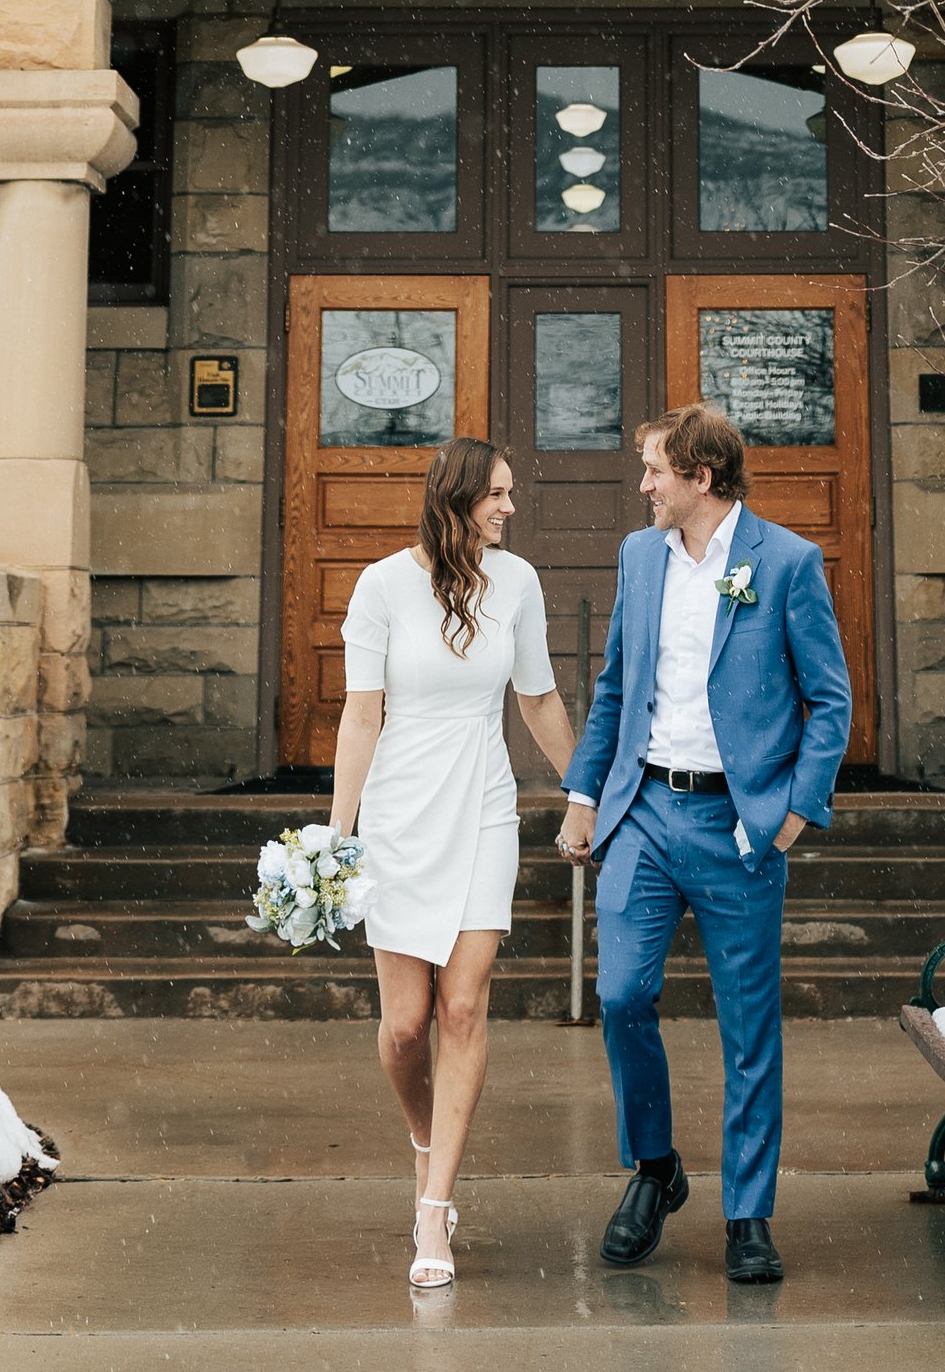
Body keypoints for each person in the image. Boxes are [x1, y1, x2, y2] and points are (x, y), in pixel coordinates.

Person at [555, 403, 854, 1288]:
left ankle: (749, 1217)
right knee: (620, 995)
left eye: (654, 470)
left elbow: (830, 700)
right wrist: (582, 797)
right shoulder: (640, 558)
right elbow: (614, 687)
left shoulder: (788, 564)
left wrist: (795, 812)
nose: (642, 486)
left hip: (739, 825)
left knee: (749, 1028)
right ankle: (655, 1169)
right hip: (643, 810)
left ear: (702, 479)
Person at [331, 435, 584, 1296]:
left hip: (481, 808)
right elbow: (362, 715)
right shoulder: (382, 585)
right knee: (406, 1026)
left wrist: (583, 792)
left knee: (464, 1005)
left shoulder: (517, 584)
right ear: (457, 498)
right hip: (399, 816)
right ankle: (424, 1140)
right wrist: (339, 832)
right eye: (499, 495)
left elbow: (539, 697)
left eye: (511, 493)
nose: (511, 508)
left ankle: (434, 1205)